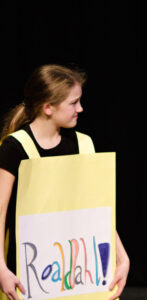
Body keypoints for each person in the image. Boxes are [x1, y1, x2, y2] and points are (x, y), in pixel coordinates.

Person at [0, 64, 129, 300]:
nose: (80, 108)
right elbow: (0, 211)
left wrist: (122, 257)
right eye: (73, 102)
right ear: (48, 107)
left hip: (78, 273)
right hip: (30, 276)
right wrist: (1, 268)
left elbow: (97, 211)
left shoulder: (82, 144)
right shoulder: (14, 147)